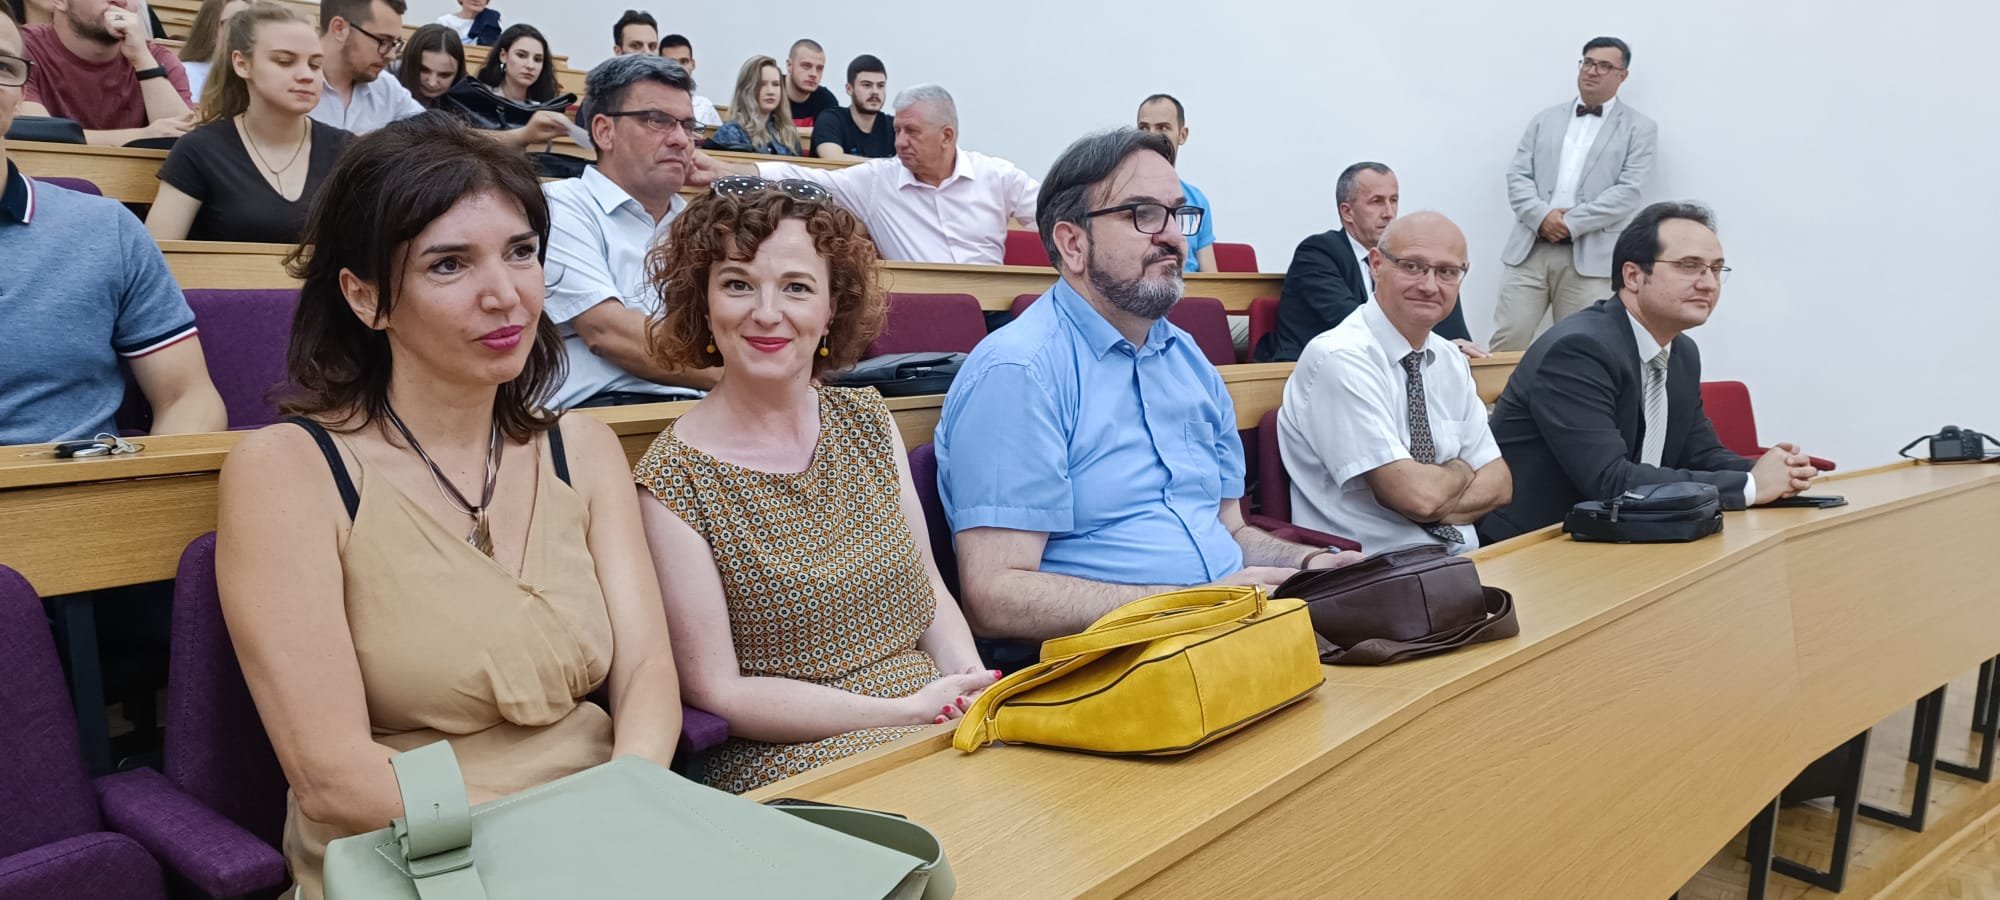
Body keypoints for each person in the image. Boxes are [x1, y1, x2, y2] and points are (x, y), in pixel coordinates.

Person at [216, 115, 683, 899]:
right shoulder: (287, 471)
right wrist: (563, 833)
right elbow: (331, 774)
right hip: (414, 853)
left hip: (610, 831)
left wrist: (624, 803)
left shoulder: (584, 446)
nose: (505, 296)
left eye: (521, 252)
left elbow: (646, 669)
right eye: (448, 264)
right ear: (366, 298)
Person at [633, 178, 997, 793]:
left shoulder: (868, 419)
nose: (766, 312)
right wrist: (904, 713)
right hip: (795, 752)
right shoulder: (673, 478)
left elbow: (930, 592)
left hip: (935, 714)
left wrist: (970, 688)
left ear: (831, 309)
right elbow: (719, 690)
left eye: (796, 287)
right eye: (737, 284)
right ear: (703, 303)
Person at [934, 128, 1363, 647]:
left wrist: (1310, 564)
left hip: (1231, 633)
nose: (1175, 238)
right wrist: (1199, 606)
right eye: (1143, 214)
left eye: (1178, 214)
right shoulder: (1021, 372)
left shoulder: (1188, 360)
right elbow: (995, 596)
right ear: (1073, 244)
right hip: (1116, 659)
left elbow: (1229, 532)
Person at [1481, 201, 1818, 542]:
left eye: (1716, 269)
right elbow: (1609, 481)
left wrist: (1776, 471)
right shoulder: (1579, 350)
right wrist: (1750, 485)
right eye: (1690, 266)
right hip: (1535, 545)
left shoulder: (1682, 352)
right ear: (1633, 276)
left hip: (1617, 536)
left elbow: (1701, 454)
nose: (1709, 284)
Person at [0, 4, 225, 444]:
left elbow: (187, 398)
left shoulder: (107, 230)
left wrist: (147, 482)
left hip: (77, 483)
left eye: (2, 67)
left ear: (20, 93)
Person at [1277, 212, 1511, 554]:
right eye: (1412, 266)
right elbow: (1417, 498)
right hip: (1373, 572)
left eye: (1447, 272)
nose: (1429, 285)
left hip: (1461, 564)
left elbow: (1500, 484)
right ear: (1376, 265)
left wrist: (1435, 496)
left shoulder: (1450, 360)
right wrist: (1463, 469)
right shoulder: (1340, 358)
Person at [543, 54, 718, 409]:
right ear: (604, 131)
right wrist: (742, 379)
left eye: (688, 126)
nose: (681, 140)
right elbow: (607, 332)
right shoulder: (560, 205)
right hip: (598, 412)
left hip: (702, 410)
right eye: (658, 121)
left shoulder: (699, 224)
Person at [697, 85, 1038, 265]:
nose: (899, 142)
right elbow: (802, 178)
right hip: (924, 313)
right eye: (897, 130)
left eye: (912, 132)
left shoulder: (996, 175)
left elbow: (1054, 212)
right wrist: (726, 170)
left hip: (995, 314)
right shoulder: (878, 181)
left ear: (946, 136)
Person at [1493, 36, 1657, 352]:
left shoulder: (1640, 128)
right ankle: (1496, 391)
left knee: (1579, 347)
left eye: (1604, 66)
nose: (1592, 71)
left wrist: (1571, 223)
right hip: (1530, 247)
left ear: (1622, 75)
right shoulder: (1545, 119)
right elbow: (1518, 176)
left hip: (1590, 256)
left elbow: (1628, 191)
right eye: (1588, 62)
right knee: (1507, 339)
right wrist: (1542, 216)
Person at [146, 3, 348, 243]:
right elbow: (157, 255)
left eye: (315, 64)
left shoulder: (348, 151)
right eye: (284, 61)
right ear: (242, 64)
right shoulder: (199, 150)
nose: (306, 75)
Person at [1257, 162, 1481, 362]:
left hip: (1397, 370)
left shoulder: (1414, 261)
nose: (1389, 213)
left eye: (1394, 200)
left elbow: (1456, 337)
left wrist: (1456, 350)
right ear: (1347, 212)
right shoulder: (1317, 254)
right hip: (1318, 372)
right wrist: (1443, 348)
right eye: (1377, 202)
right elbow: (1356, 324)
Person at [18, 0, 193, 144]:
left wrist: (142, 59)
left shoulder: (157, 59)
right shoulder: (21, 47)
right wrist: (142, 136)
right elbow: (32, 132)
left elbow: (179, 140)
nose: (121, 2)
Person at [308, 0, 422, 134]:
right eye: (383, 41)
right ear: (339, 29)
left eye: (395, 43)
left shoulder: (386, 87)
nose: (391, 55)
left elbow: (431, 132)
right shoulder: (295, 84)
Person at [1133, 93, 1215, 273]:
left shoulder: (1197, 200)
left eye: (1163, 127)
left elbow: (1211, 277)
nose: (1151, 136)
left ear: (1182, 135)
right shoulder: (1120, 195)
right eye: (1144, 128)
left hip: (1189, 288)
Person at [703, 53, 796, 155]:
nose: (771, 91)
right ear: (747, 89)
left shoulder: (787, 132)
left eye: (776, 84)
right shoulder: (731, 132)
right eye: (762, 84)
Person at [809, 53, 890, 161]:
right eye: (866, 85)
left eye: (880, 86)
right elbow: (832, 158)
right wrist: (887, 165)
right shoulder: (830, 119)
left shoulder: (895, 126)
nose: (875, 92)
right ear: (849, 89)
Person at [175, 0, 246, 99]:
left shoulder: (256, 77)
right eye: (232, 24)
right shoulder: (186, 73)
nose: (242, 32)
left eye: (248, 25)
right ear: (211, 28)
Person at [473, 22, 553, 102]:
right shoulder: (480, 96)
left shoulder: (548, 105)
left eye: (537, 59)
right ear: (503, 56)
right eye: (521, 55)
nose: (530, 66)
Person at [656, 32, 718, 127]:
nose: (679, 68)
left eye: (684, 61)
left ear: (693, 64)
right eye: (671, 63)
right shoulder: (651, 104)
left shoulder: (705, 107)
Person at [394, 21, 460, 108]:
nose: (432, 83)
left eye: (444, 75)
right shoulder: (384, 85)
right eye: (424, 70)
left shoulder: (466, 104)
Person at [780, 37, 833, 126]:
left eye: (819, 68)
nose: (814, 74)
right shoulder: (770, 91)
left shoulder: (825, 101)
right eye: (806, 66)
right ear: (789, 65)